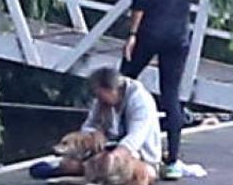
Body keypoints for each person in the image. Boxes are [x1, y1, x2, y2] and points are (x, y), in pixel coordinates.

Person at [120, 0, 195, 181]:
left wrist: (132, 34)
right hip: (178, 33)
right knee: (171, 94)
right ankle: (172, 160)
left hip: (150, 30)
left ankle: (120, 141)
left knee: (123, 82)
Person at [32, 67, 163, 179]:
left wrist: (112, 158)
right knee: (69, 165)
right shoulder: (102, 102)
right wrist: (95, 133)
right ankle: (75, 170)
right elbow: (87, 127)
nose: (98, 99)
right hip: (108, 149)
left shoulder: (141, 101)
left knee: (115, 169)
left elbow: (135, 138)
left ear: (111, 89)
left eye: (100, 94)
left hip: (139, 156)